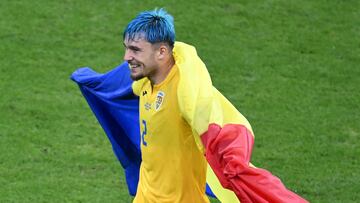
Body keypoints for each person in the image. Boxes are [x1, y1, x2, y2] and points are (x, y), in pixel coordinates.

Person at [72, 8, 308, 203]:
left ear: (162, 52)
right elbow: (118, 86)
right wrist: (95, 84)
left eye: (135, 50)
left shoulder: (188, 94)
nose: (126, 57)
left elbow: (220, 129)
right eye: (126, 48)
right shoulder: (144, 82)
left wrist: (233, 162)